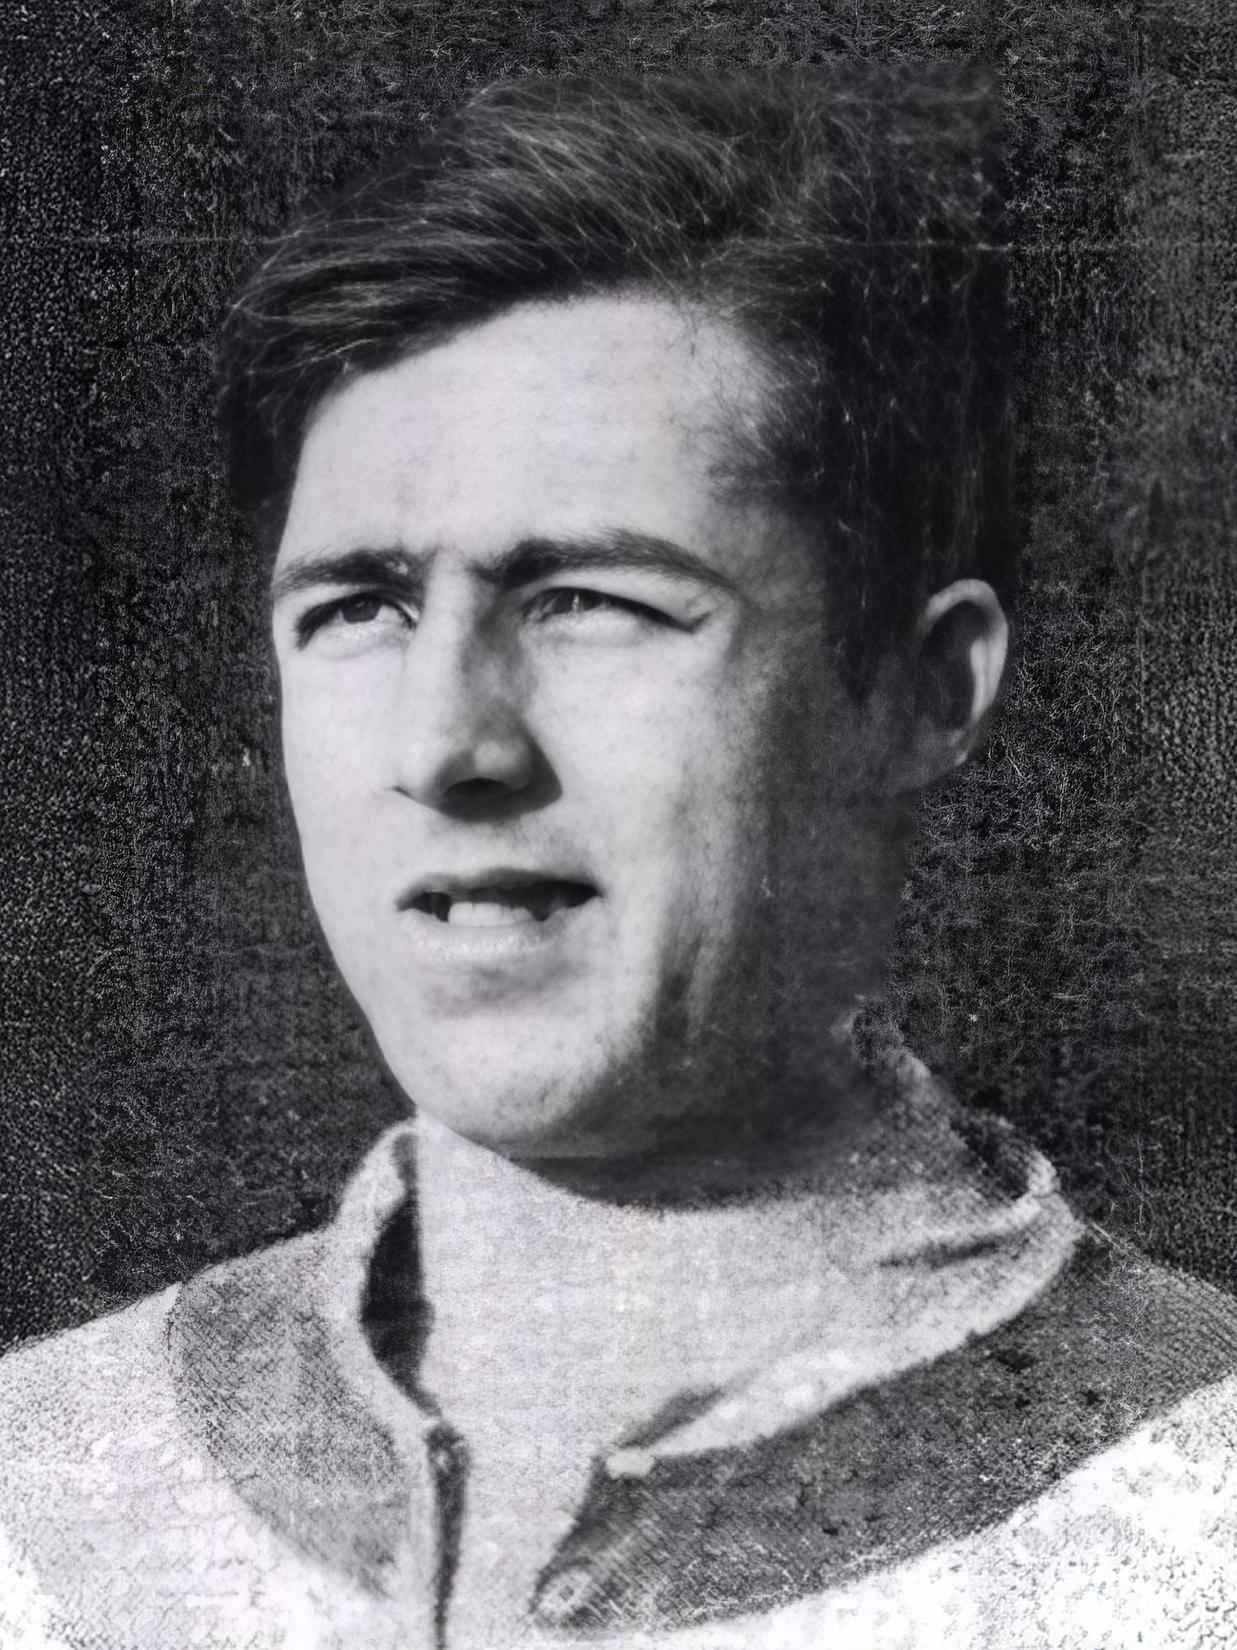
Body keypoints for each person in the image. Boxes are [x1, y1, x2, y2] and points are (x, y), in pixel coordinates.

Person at [1, 67, 1234, 1650]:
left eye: (591, 601)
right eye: (359, 607)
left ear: (921, 689)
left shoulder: (1191, 1518)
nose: (447, 743)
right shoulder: (46, 1490)